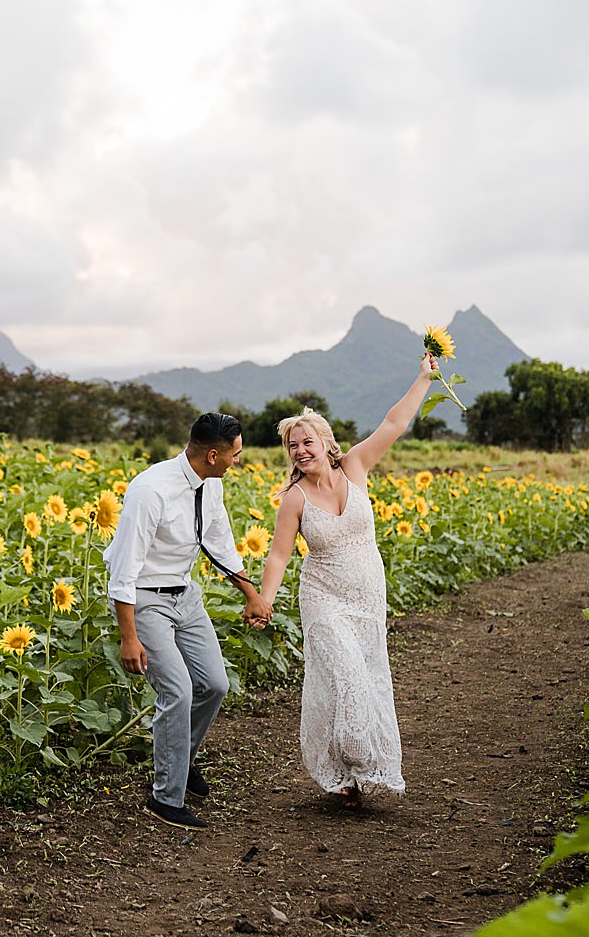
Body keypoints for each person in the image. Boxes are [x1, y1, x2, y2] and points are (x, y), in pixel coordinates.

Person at [247, 356, 439, 808]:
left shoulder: (355, 468)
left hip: (369, 593)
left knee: (366, 678)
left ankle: (352, 777)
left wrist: (424, 378)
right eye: (292, 446)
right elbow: (278, 554)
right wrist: (265, 601)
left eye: (306, 441)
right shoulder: (293, 499)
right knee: (348, 676)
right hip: (323, 596)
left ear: (327, 443)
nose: (299, 451)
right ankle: (354, 761)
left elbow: (394, 423)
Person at [104, 413, 267, 831]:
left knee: (215, 684)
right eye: (235, 455)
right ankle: (165, 798)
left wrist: (251, 594)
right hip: (145, 600)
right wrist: (129, 637)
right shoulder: (150, 491)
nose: (237, 462)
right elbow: (123, 570)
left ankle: (182, 759)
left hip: (185, 596)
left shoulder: (211, 486)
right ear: (213, 454)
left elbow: (220, 543)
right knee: (176, 691)